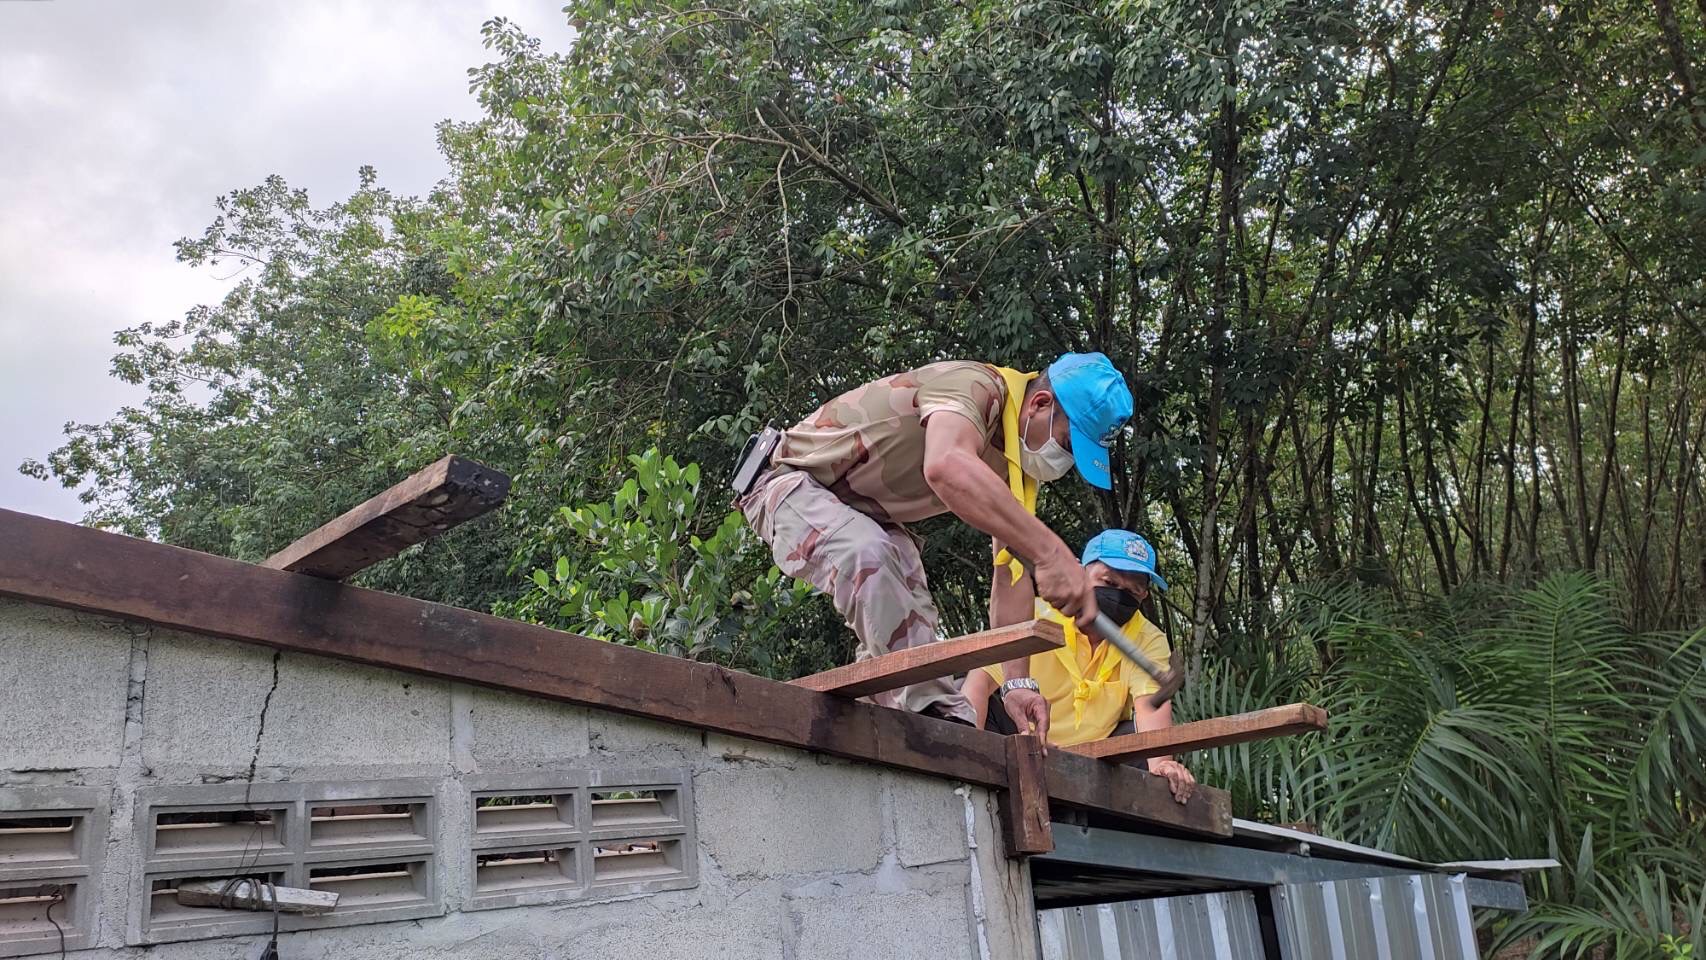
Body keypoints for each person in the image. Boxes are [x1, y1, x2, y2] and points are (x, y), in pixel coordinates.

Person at [736, 354, 1133, 736]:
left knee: (911, 616)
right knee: (869, 557)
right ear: (1040, 404)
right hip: (785, 479)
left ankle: (878, 721)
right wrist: (1050, 552)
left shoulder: (1015, 468)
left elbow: (1010, 578)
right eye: (1067, 444)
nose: (1065, 461)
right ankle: (942, 726)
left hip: (863, 514)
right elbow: (945, 465)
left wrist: (1016, 683)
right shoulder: (976, 386)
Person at [963, 529, 1198, 803]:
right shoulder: (1034, 614)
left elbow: (1151, 704)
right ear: (1081, 572)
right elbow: (979, 681)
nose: (1118, 595)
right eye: (1109, 581)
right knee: (968, 705)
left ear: (1144, 595)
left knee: (1136, 739)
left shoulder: (1147, 639)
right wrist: (967, 749)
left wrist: (1162, 764)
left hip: (1092, 763)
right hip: (1019, 739)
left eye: (1132, 591)